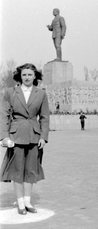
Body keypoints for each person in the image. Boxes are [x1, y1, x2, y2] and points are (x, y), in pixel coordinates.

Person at [0, 63, 50, 215]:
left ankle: (28, 202)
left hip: (34, 137)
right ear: (19, 76)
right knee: (17, 170)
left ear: (35, 76)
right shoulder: (10, 92)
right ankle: (20, 203)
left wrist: (43, 137)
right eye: (24, 75)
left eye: (30, 75)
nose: (27, 77)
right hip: (16, 136)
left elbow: (45, 117)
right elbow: (4, 116)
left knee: (31, 170)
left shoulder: (41, 93)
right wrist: (4, 137)